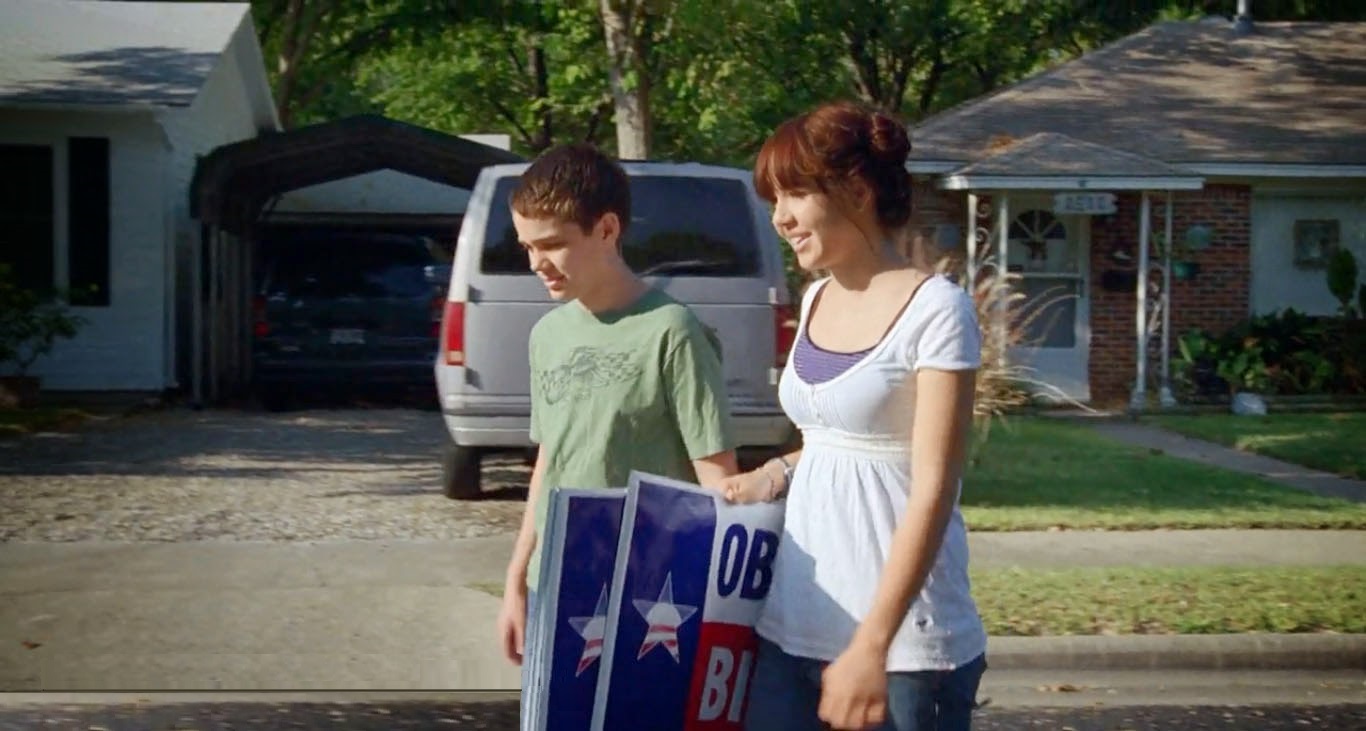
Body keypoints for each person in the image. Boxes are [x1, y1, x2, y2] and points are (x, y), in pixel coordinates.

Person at [719, 101, 987, 731]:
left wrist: (872, 645)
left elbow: (934, 486)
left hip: (900, 653)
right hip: (790, 631)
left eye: (795, 194)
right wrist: (776, 472)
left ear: (858, 191)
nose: (780, 217)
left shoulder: (937, 310)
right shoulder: (815, 299)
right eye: (775, 200)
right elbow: (841, 441)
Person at [494, 142, 740, 673]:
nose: (536, 263)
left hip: (649, 601)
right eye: (527, 246)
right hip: (556, 585)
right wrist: (516, 578)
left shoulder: (673, 331)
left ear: (607, 229)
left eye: (552, 244)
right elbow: (550, 462)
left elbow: (717, 485)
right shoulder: (546, 336)